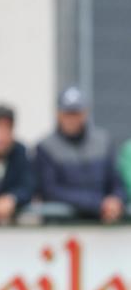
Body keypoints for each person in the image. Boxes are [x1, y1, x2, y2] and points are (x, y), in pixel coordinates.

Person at [36, 86, 126, 223]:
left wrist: (116, 199)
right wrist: (97, 203)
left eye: (76, 113)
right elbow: (50, 191)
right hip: (61, 227)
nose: (72, 118)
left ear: (85, 113)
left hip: (102, 226)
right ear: (58, 114)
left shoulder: (103, 141)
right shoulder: (46, 147)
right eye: (67, 113)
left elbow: (116, 182)